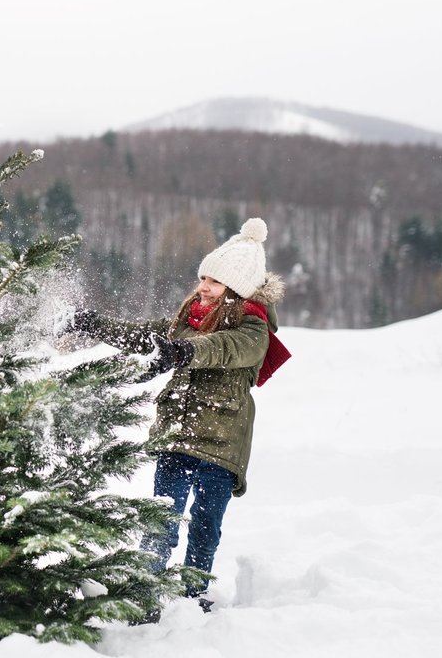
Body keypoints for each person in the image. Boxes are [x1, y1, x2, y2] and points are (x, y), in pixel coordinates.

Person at [66, 217, 290, 611]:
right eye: (203, 277)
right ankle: (144, 591)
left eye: (214, 281)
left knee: (204, 528)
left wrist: (188, 351)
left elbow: (228, 347)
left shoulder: (253, 328)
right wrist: (94, 325)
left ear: (235, 291)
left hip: (221, 447)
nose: (203, 286)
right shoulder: (189, 322)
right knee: (161, 522)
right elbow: (142, 335)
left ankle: (194, 595)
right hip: (176, 438)